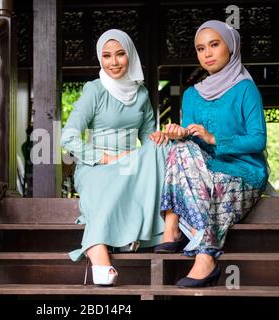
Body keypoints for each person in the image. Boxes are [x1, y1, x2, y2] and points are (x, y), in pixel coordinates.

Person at [153, 20, 269, 287]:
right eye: (200, 48)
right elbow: (192, 142)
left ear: (230, 47)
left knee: (201, 174)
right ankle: (177, 231)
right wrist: (177, 133)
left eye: (214, 45)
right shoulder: (192, 94)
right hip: (205, 170)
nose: (207, 53)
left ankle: (203, 255)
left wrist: (213, 137)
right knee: (180, 147)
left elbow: (258, 139)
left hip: (243, 171)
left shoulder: (245, 88)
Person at [61, 29, 170, 286]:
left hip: (131, 162)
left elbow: (149, 136)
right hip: (96, 165)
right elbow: (68, 137)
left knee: (161, 148)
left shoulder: (141, 94)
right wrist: (107, 159)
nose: (113, 62)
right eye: (107, 56)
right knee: (104, 186)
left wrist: (163, 140)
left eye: (120, 54)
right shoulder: (94, 90)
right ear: (101, 59)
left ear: (130, 56)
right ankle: (98, 252)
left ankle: (147, 233)